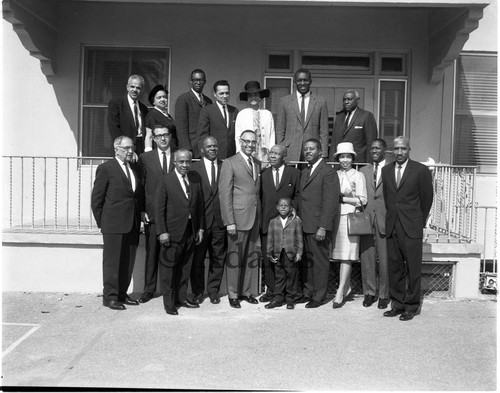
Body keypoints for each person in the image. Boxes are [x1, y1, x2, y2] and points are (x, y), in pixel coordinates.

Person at [382, 136, 433, 321]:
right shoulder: (386, 170)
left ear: (409, 149)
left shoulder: (420, 170)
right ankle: (397, 304)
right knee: (394, 267)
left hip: (411, 226)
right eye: (396, 149)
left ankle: (411, 306)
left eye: (403, 149)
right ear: (392, 150)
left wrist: (418, 221)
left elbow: (427, 198)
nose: (399, 152)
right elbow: (389, 199)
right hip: (392, 225)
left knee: (412, 267)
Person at [91, 136, 144, 310]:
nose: (130, 151)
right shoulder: (106, 168)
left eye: (132, 148)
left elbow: (135, 196)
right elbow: (96, 200)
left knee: (127, 262)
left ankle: (122, 293)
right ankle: (110, 296)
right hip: (113, 225)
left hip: (132, 223)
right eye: (126, 148)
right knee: (112, 263)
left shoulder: (134, 168)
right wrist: (104, 223)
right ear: (116, 149)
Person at [155, 149, 205, 316]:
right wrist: (162, 231)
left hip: (190, 231)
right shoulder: (166, 180)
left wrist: (200, 228)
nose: (185, 165)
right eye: (181, 162)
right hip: (172, 232)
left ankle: (181, 298)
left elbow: (200, 207)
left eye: (188, 162)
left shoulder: (195, 180)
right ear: (174, 162)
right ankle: (169, 303)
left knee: (185, 267)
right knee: (169, 269)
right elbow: (159, 208)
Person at [219, 130, 261, 308]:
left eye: (253, 142)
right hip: (237, 218)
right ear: (240, 142)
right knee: (235, 258)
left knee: (251, 257)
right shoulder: (230, 163)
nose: (250, 145)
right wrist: (229, 221)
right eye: (247, 142)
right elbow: (225, 194)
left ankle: (247, 291)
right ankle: (233, 294)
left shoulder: (257, 163)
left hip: (254, 217)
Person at [298, 138, 340, 308]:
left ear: (320, 152)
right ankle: (308, 292)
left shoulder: (328, 172)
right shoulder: (304, 171)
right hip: (305, 224)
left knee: (320, 262)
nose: (308, 152)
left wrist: (323, 226)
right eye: (306, 149)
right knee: (307, 261)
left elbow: (330, 203)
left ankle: (319, 296)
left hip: (318, 226)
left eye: (312, 149)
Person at [136, 125, 175, 304]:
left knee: (170, 255)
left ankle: (170, 290)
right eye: (158, 136)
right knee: (151, 254)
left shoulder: (179, 157)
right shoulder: (145, 158)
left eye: (165, 135)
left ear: (170, 136)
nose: (162, 139)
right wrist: (142, 210)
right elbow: (141, 186)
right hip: (152, 213)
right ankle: (149, 289)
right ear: (154, 139)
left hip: (174, 215)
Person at [259, 144, 300, 303]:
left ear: (284, 156)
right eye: (271, 153)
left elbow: (297, 195)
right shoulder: (263, 175)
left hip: (288, 225)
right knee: (270, 260)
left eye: (276, 153)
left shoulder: (295, 173)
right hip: (268, 225)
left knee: (288, 262)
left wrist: (292, 210)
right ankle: (272, 292)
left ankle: (289, 294)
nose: (272, 156)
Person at [189, 136, 226, 305]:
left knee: (217, 259)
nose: (212, 148)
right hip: (200, 223)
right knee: (198, 260)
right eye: (209, 146)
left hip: (219, 221)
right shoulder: (193, 169)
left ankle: (213, 291)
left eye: (215, 146)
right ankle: (198, 291)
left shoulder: (225, 166)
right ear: (202, 149)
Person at [330, 142, 367, 309]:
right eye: (342, 157)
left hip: (350, 217)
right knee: (337, 254)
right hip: (335, 217)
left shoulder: (358, 176)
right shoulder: (334, 175)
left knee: (347, 255)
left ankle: (340, 291)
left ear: (352, 158)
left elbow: (362, 199)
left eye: (348, 156)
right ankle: (346, 286)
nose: (345, 160)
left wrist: (344, 199)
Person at [359, 139, 391, 309]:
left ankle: (384, 295)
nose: (374, 151)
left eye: (378, 148)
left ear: (385, 149)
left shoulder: (391, 169)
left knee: (385, 259)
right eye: (372, 148)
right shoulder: (363, 170)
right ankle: (369, 293)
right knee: (367, 258)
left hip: (384, 219)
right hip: (366, 220)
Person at [276, 69, 329, 162]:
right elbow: (280, 129)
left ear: (310, 81)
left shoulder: (321, 102)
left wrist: (323, 153)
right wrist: (281, 149)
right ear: (295, 82)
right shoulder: (284, 101)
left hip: (313, 151)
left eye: (305, 80)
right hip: (290, 150)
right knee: (292, 176)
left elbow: (324, 131)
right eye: (299, 80)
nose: (302, 83)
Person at [265, 197, 303, 310]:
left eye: (286, 205)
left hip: (290, 253)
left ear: (290, 208)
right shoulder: (273, 222)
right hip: (277, 253)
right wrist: (269, 253)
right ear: (277, 207)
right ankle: (278, 298)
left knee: (292, 276)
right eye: (281, 205)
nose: (283, 207)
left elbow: (299, 238)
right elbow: (270, 238)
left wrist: (299, 252)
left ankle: (290, 299)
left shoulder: (295, 221)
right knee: (279, 277)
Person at [329, 89, 378, 164]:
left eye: (349, 99)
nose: (346, 102)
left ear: (357, 100)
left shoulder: (366, 116)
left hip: (358, 163)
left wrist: (368, 165)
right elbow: (334, 143)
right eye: (344, 100)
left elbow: (370, 143)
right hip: (339, 163)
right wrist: (332, 163)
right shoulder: (339, 117)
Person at [235, 81, 276, 165]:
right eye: (250, 95)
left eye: (256, 95)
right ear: (247, 98)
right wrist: (240, 155)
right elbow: (238, 137)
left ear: (260, 97)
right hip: (248, 152)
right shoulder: (241, 114)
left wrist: (272, 153)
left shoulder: (267, 114)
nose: (253, 98)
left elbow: (272, 135)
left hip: (264, 154)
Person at [175, 69, 213, 158]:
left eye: (201, 80)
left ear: (205, 82)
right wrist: (187, 149)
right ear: (191, 82)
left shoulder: (208, 101)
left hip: (206, 148)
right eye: (195, 80)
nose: (198, 82)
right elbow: (181, 128)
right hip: (192, 149)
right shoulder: (183, 99)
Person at [196, 80, 239, 159]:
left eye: (227, 93)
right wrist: (204, 155)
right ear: (215, 94)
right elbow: (202, 136)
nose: (225, 96)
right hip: (214, 156)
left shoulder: (234, 111)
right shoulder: (207, 111)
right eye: (221, 93)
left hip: (231, 156)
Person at [107, 75, 148, 155]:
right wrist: (127, 149)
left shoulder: (144, 108)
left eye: (138, 88)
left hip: (141, 147)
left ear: (142, 90)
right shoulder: (116, 104)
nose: (135, 90)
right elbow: (114, 129)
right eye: (132, 87)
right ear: (127, 87)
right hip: (124, 149)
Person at [144, 85, 177, 151]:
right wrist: (149, 153)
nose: (162, 99)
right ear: (153, 101)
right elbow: (149, 136)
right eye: (159, 97)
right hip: (160, 152)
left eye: (164, 97)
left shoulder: (167, 115)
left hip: (171, 150)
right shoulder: (152, 115)